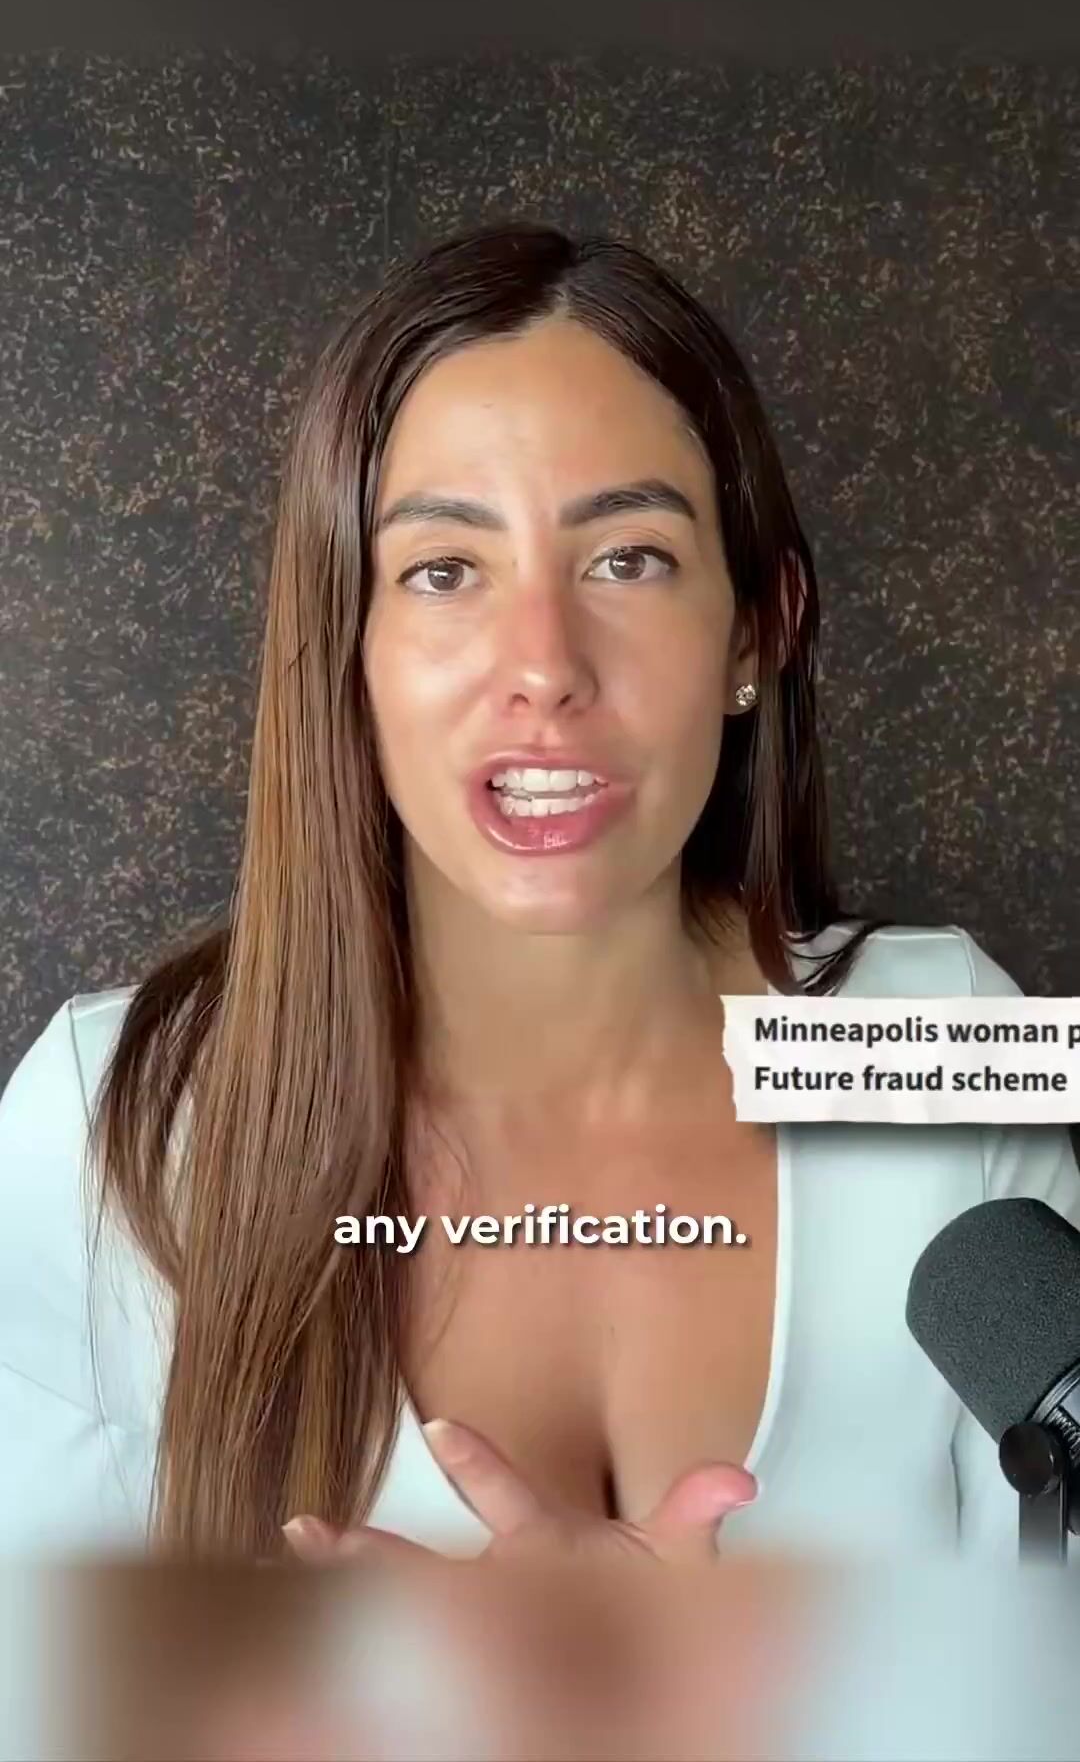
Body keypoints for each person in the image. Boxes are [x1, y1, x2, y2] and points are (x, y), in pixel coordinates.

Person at [1, 221, 1075, 1569]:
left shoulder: (945, 1035)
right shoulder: (110, 1122)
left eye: (630, 558)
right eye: (444, 571)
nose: (545, 666)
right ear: (347, 650)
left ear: (757, 630)